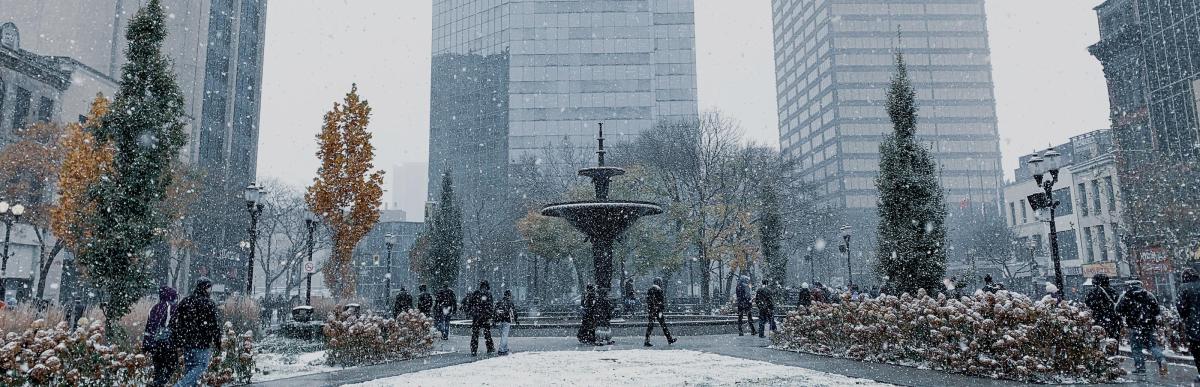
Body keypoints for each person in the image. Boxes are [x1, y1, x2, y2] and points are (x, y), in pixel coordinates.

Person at [170, 278, 221, 387]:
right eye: (209, 288)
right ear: (206, 288)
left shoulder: (186, 301)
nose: (210, 291)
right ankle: (180, 385)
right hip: (202, 342)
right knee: (201, 366)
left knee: (190, 369)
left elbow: (174, 321)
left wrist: (178, 338)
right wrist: (217, 341)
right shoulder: (209, 303)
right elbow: (214, 325)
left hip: (187, 342)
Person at [1117, 280, 1168, 375]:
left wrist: (1128, 313)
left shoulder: (1126, 296)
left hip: (1134, 326)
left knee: (1136, 348)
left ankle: (1140, 368)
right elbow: (1157, 310)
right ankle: (1161, 359)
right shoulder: (1149, 295)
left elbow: (1118, 310)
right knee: (1152, 345)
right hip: (1148, 325)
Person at [144, 286, 178, 387]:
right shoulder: (171, 307)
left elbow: (148, 327)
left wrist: (146, 344)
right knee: (172, 364)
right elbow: (175, 325)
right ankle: (158, 384)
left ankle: (157, 382)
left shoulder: (154, 308)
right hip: (167, 343)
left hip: (154, 343)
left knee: (158, 368)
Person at [1084, 274, 1123, 346]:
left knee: (1099, 340)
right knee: (1113, 341)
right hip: (1114, 320)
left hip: (1099, 320)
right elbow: (1119, 305)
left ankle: (1102, 355)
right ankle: (1113, 354)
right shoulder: (1113, 291)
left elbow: (1088, 303)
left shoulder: (1093, 291)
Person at [1177, 268, 1200, 382]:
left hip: (1193, 324)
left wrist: (1186, 317)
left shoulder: (1183, 288)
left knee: (1196, 350)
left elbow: (1181, 307)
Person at [464, 281, 495, 356]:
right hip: (485, 316)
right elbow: (490, 305)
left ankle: (474, 350)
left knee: (475, 334)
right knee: (487, 333)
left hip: (476, 316)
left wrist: (471, 312)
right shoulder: (488, 294)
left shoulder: (476, 293)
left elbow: (470, 303)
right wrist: (490, 314)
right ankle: (490, 348)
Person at [644, 277, 676, 347]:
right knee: (663, 325)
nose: (661, 283)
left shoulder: (650, 289)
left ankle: (646, 340)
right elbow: (660, 301)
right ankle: (669, 339)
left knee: (650, 325)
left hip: (651, 310)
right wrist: (659, 307)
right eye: (660, 282)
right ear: (658, 282)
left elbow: (648, 300)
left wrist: (651, 307)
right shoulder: (658, 289)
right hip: (658, 311)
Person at [494, 289, 517, 355]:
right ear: (509, 295)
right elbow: (514, 312)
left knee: (503, 335)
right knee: (504, 335)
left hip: (500, 320)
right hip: (507, 320)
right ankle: (501, 350)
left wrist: (495, 321)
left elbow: (495, 311)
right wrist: (516, 320)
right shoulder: (510, 302)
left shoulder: (499, 302)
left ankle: (505, 348)